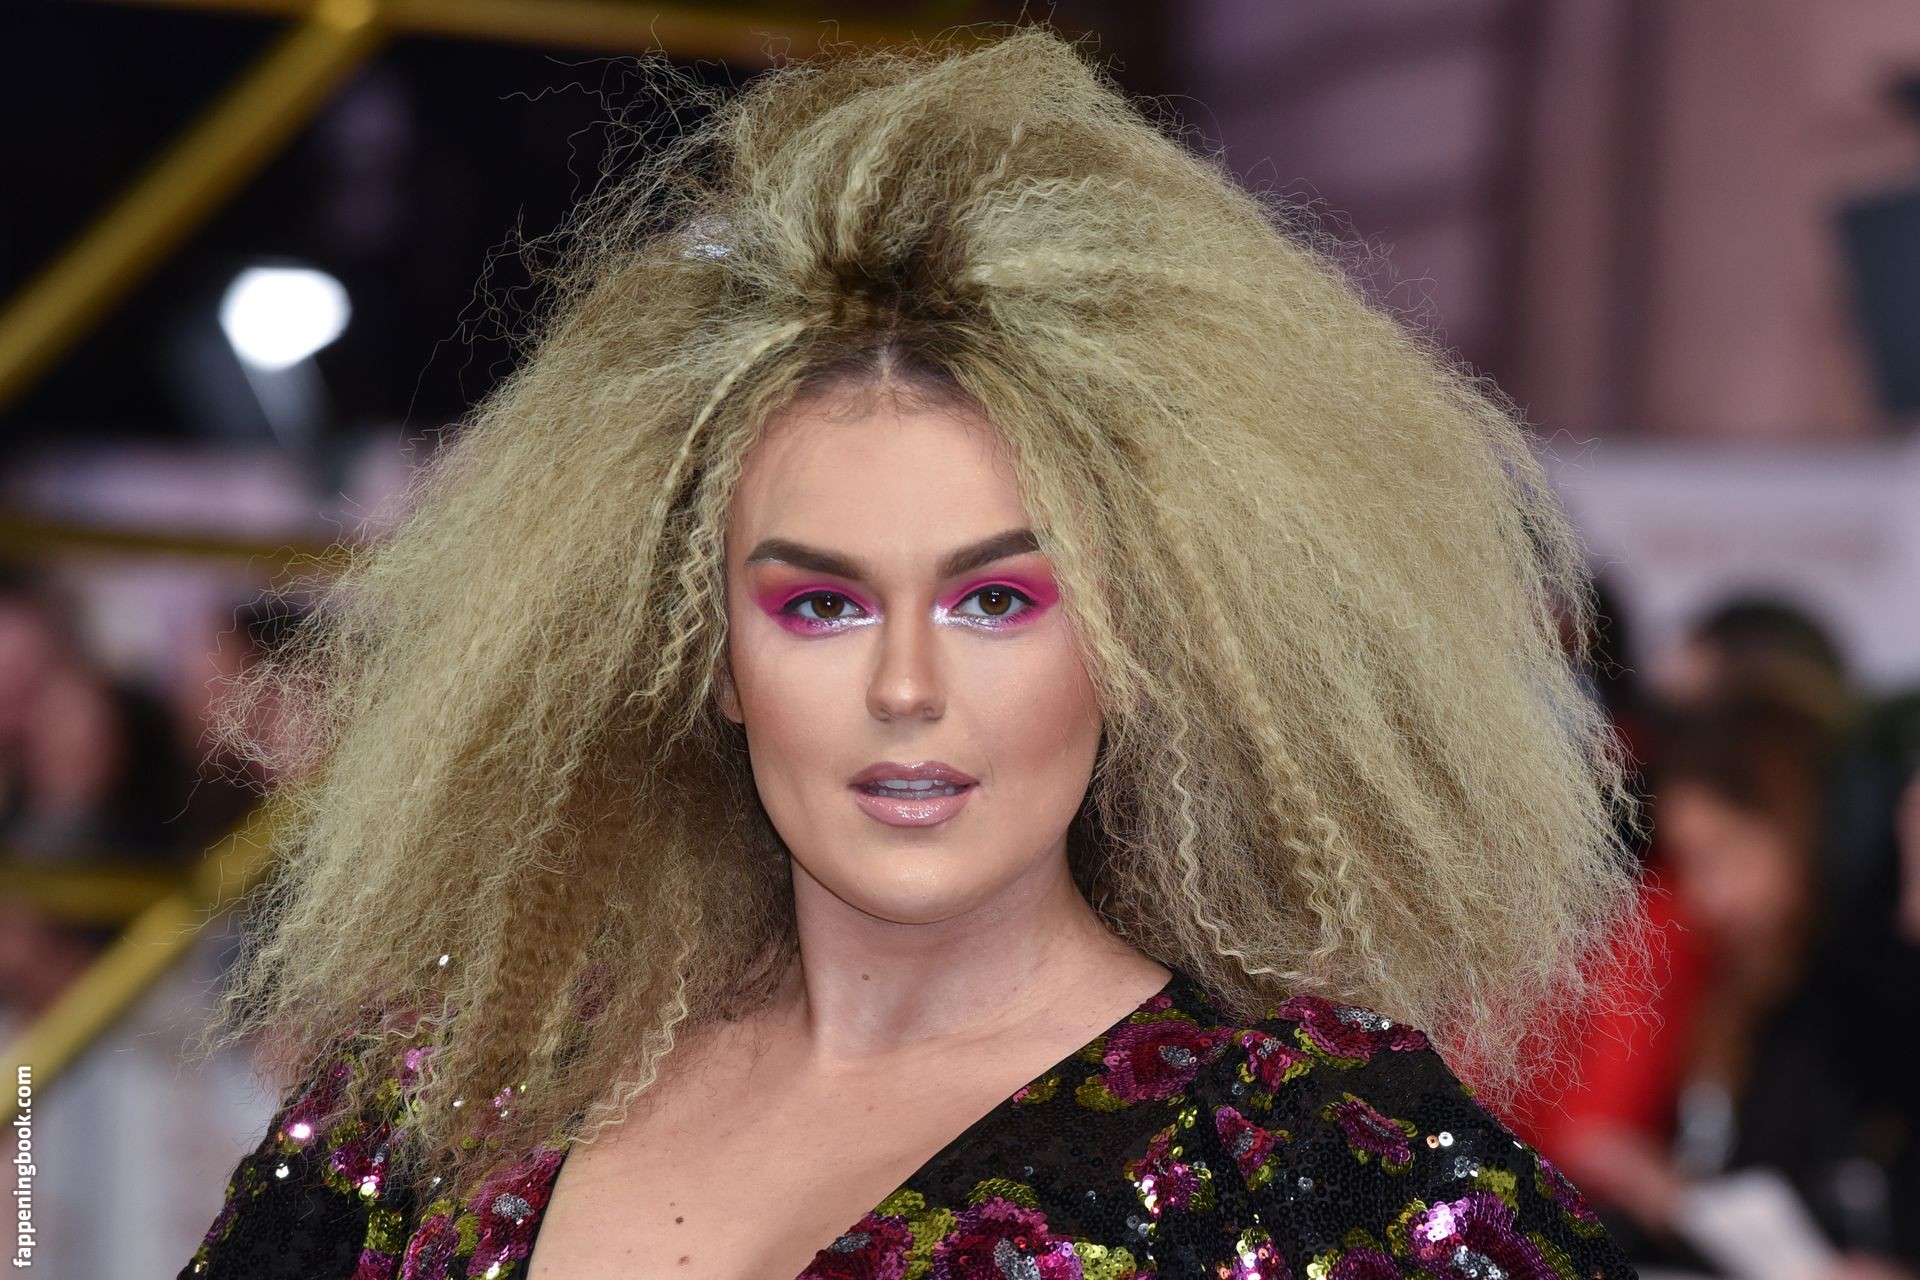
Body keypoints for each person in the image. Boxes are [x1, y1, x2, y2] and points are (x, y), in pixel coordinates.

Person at [178, 27, 1646, 1280]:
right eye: (819, 606)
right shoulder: (446, 1103)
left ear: (1136, 640)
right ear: (709, 656)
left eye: (995, 601)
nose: (904, 688)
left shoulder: (1319, 1169)